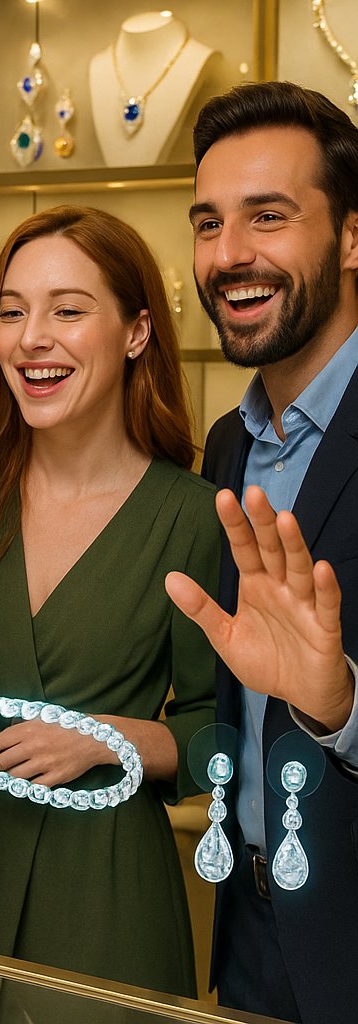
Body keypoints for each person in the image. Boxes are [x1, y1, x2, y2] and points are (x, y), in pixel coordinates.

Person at [0, 205, 219, 1020]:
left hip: (105, 895)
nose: (31, 338)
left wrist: (110, 738)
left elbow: (225, 731)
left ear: (137, 332)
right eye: (12, 312)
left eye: (68, 310)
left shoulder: (194, 516)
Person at [164, 80, 358, 1024]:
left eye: (268, 217)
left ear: (352, 238)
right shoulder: (229, 446)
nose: (230, 254)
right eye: (209, 223)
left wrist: (340, 708)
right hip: (250, 928)